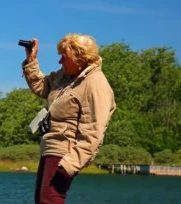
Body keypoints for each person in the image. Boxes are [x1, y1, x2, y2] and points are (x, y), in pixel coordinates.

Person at [21, 33, 116, 204]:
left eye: (64, 57)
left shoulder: (96, 86)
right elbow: (42, 86)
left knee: (49, 199)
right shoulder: (65, 75)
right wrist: (31, 61)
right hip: (50, 147)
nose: (60, 62)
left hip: (65, 153)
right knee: (42, 199)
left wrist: (71, 163)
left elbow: (94, 133)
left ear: (80, 58)